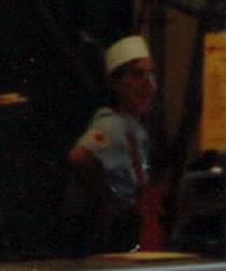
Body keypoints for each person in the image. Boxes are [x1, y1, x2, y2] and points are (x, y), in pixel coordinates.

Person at [63, 34, 164, 255]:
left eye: (151, 75)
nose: (148, 85)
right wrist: (106, 199)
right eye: (137, 75)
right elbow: (80, 156)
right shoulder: (112, 124)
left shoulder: (135, 128)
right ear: (116, 83)